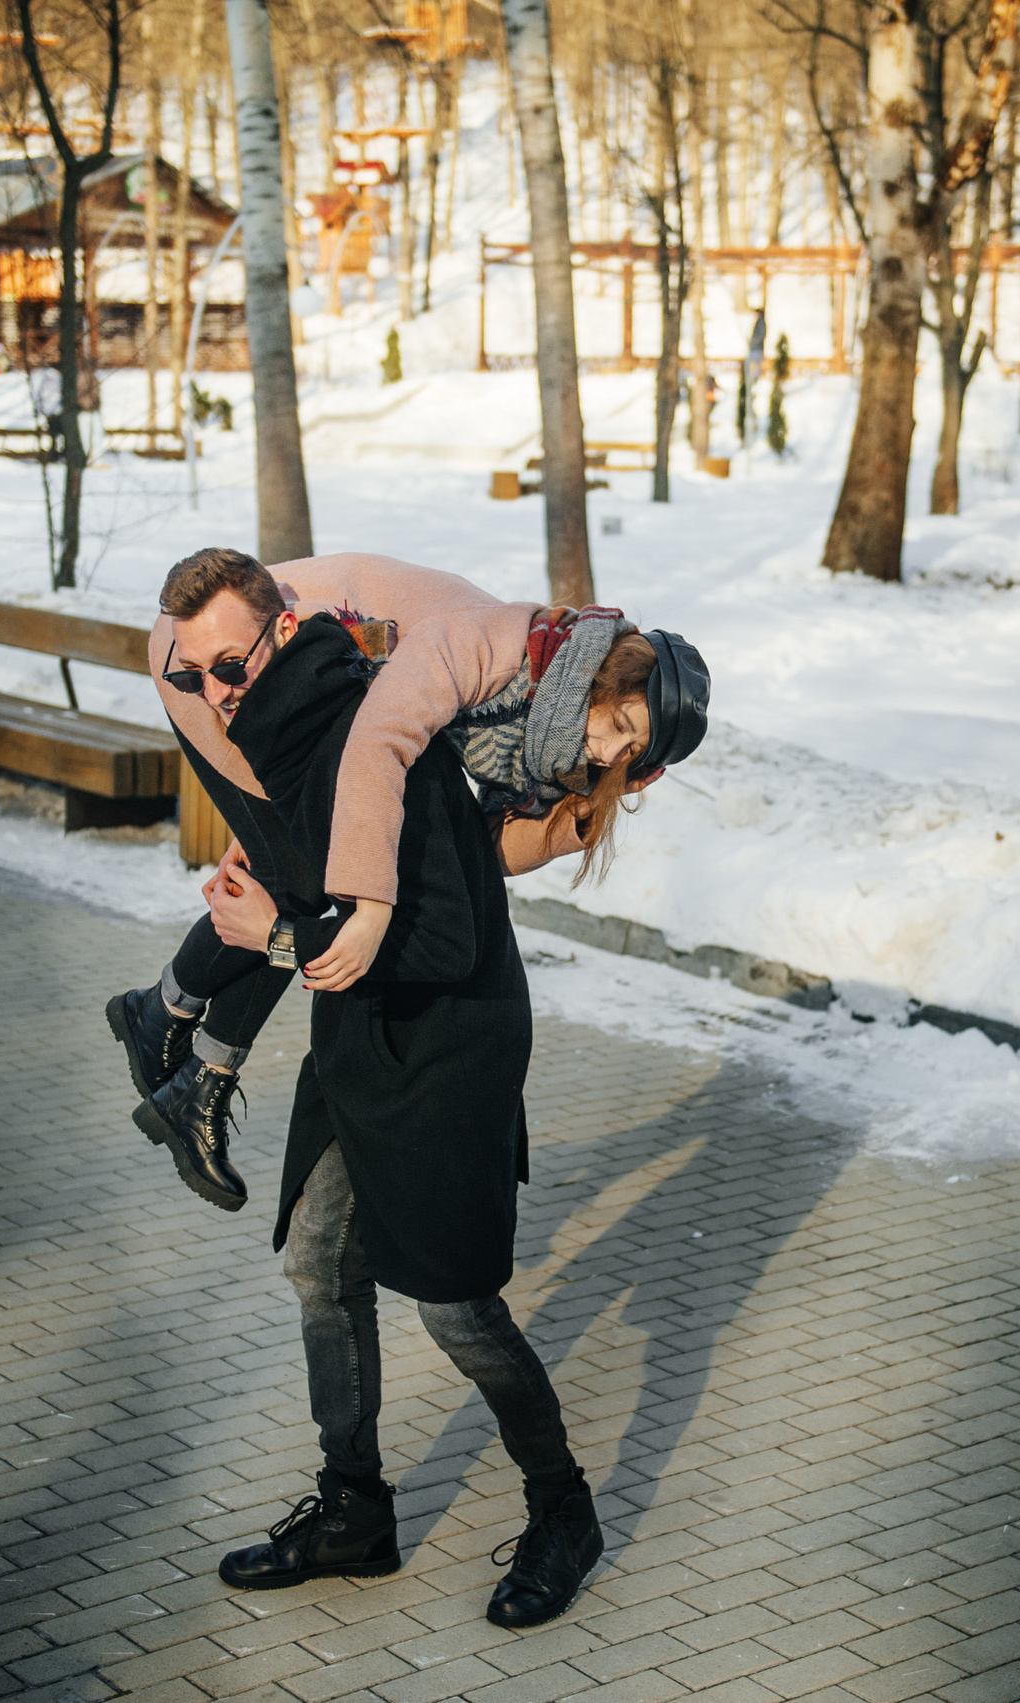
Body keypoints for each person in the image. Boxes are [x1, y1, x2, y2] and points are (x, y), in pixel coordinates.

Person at [187, 591, 606, 1629]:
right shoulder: (291, 752)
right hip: (363, 1042)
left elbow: (444, 941)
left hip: (448, 1047)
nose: (215, 694)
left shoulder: (381, 749)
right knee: (320, 1263)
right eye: (188, 678)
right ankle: (353, 1511)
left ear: (284, 639)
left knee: (455, 1306)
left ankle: (563, 1505)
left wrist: (278, 937)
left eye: (229, 666)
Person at [106, 551, 709, 1213]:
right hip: (211, 661)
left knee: (298, 871)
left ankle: (177, 1039)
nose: (611, 752)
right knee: (297, 879)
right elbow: (381, 736)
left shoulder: (552, 740)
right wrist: (366, 908)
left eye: (633, 752)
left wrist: (571, 820)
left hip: (293, 695)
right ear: (600, 679)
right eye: (619, 726)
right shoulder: (491, 647)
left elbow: (468, 853)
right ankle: (169, 1027)